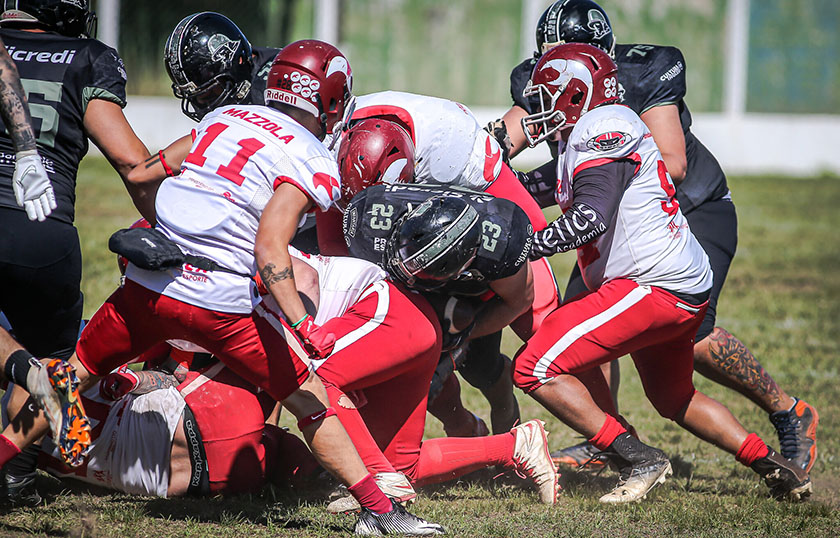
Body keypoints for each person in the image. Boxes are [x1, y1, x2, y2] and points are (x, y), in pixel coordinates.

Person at [0, 39, 444, 535]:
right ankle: (380, 514)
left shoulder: (224, 119)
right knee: (309, 398)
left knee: (68, 376)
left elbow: (143, 171)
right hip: (220, 304)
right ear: (333, 100)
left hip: (149, 286)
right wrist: (302, 324)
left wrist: (174, 223)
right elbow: (270, 249)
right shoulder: (311, 157)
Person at [498, 0, 817, 472]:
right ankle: (611, 436)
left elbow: (671, 162)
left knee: (692, 333)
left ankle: (788, 410)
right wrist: (481, 160)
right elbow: (508, 139)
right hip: (611, 211)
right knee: (583, 324)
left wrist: (567, 189)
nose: (555, 73)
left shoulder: (643, 75)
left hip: (683, 209)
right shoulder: (547, 85)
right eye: (551, 58)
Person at [321, 97, 562, 436]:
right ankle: (464, 429)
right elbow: (335, 256)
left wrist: (458, 340)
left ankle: (593, 435)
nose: (366, 210)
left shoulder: (453, 163)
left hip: (461, 230)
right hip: (410, 250)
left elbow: (520, 296)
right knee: (409, 350)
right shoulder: (339, 156)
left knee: (521, 342)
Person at [259, 247, 557, 510]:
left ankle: (379, 477)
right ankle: (517, 445)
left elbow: (305, 280)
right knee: (403, 468)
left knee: (311, 379)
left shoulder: (246, 250)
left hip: (391, 313)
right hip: (406, 323)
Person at [0, 0, 162, 474]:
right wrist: (172, 226)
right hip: (43, 230)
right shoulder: (87, 56)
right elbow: (132, 163)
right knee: (49, 356)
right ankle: (15, 474)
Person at [162, 11, 316, 252]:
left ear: (236, 66)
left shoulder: (275, 87)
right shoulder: (243, 74)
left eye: (208, 95)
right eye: (195, 98)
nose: (203, 107)